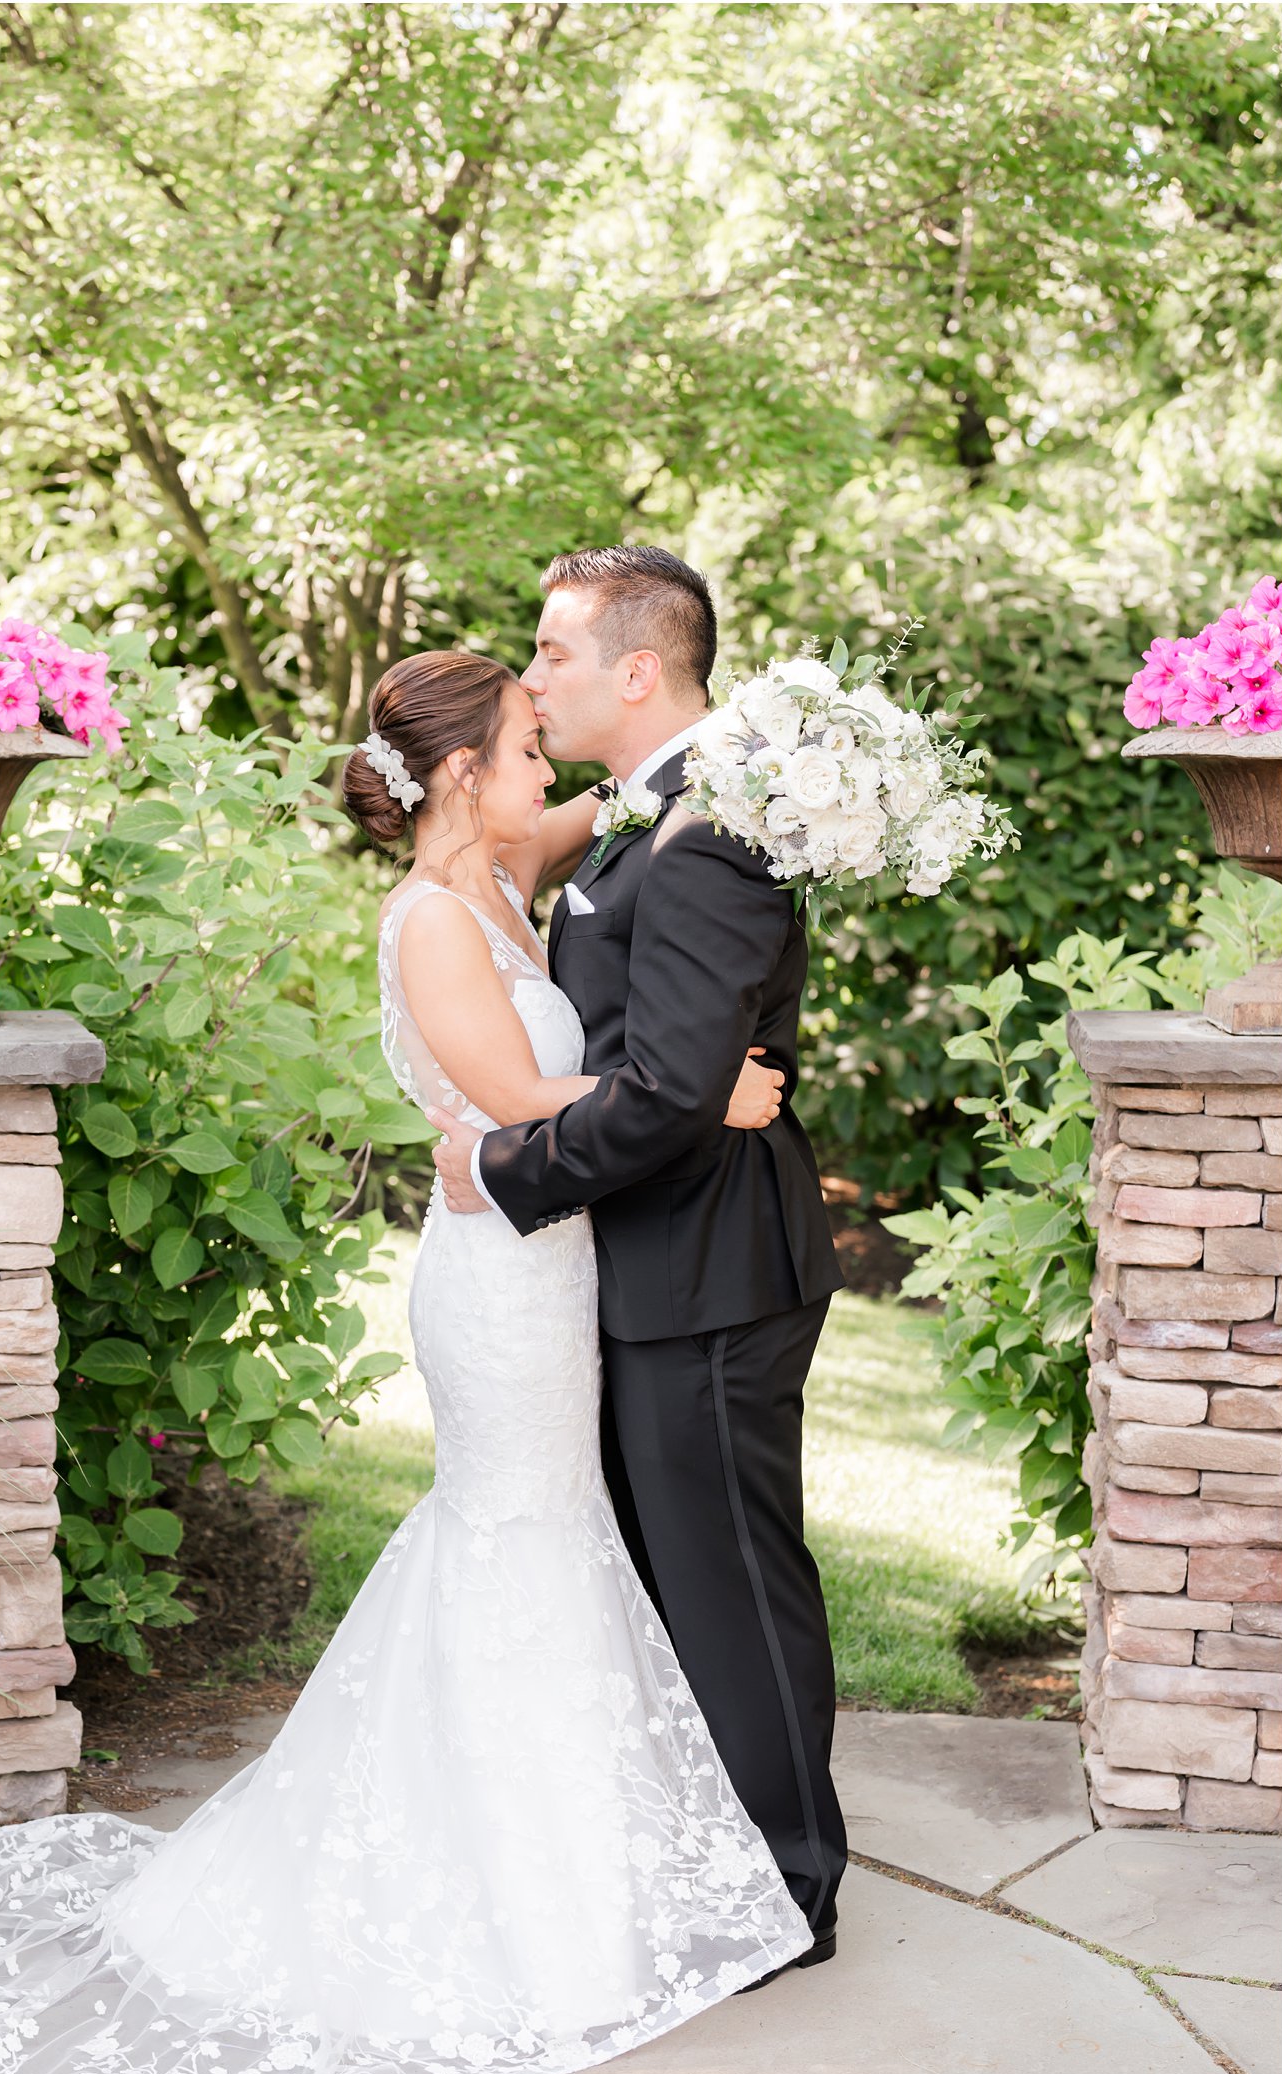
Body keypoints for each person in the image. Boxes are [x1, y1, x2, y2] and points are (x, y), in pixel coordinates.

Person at [0, 643, 815, 2074]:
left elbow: (651, 787)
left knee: (557, 1540)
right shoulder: (428, 921)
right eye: (524, 742)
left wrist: (785, 762)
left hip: (555, 1272)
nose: (545, 758)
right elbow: (519, 1099)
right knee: (513, 1538)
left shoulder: (513, 854)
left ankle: (578, 1859)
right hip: (501, 1280)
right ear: (463, 774)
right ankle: (522, 1893)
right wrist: (698, 1099)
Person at [428, 545, 848, 1950]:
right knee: (676, 1584)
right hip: (653, 1266)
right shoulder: (650, 810)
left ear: (638, 669)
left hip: (714, 1271)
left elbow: (671, 1091)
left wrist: (503, 1165)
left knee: (728, 1586)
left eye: (550, 654)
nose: (532, 679)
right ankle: (710, 1856)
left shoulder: (712, 831)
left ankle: (789, 1888)